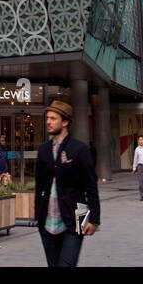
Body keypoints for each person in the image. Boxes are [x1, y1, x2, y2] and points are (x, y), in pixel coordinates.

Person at [34, 99, 99, 267]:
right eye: (47, 117)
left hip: (77, 217)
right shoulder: (43, 150)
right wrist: (38, 217)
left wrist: (94, 220)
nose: (48, 121)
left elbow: (91, 186)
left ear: (65, 122)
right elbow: (39, 186)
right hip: (46, 221)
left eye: (53, 118)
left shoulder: (80, 149)